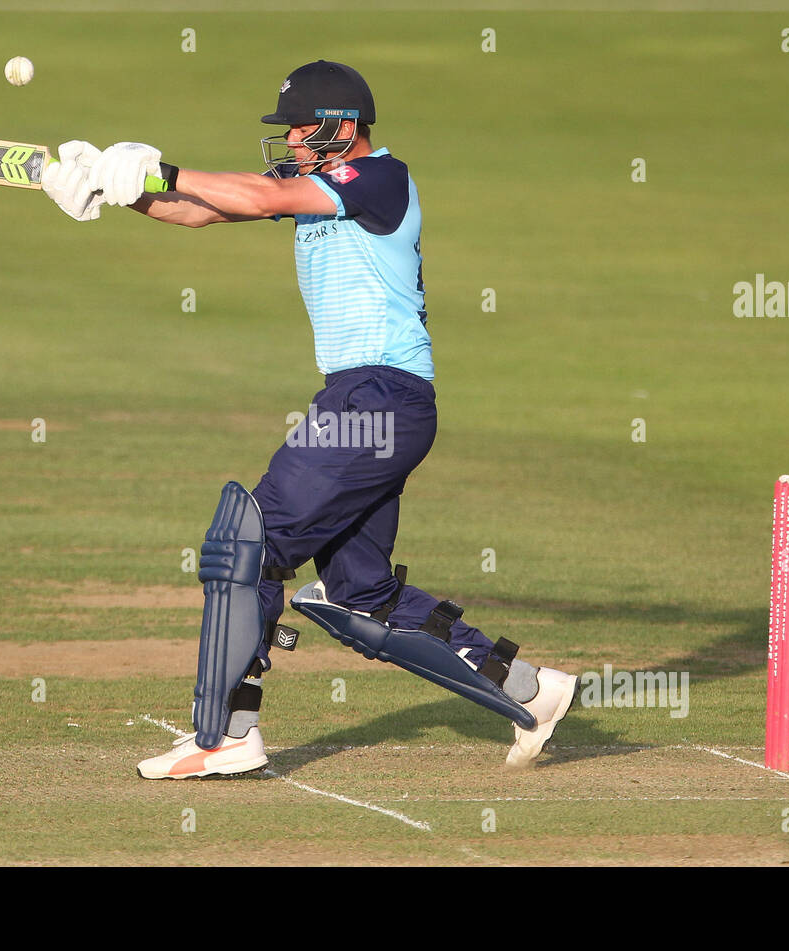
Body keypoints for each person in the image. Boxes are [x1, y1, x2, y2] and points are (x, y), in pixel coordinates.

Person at [42, 60, 579, 779]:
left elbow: (259, 197)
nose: (291, 137)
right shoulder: (315, 190)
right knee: (358, 593)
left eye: (302, 126)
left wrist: (160, 170)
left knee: (246, 545)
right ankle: (529, 689)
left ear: (344, 127)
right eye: (287, 128)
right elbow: (209, 209)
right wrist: (117, 195)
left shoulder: (380, 179)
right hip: (379, 401)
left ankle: (227, 734)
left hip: (375, 400)